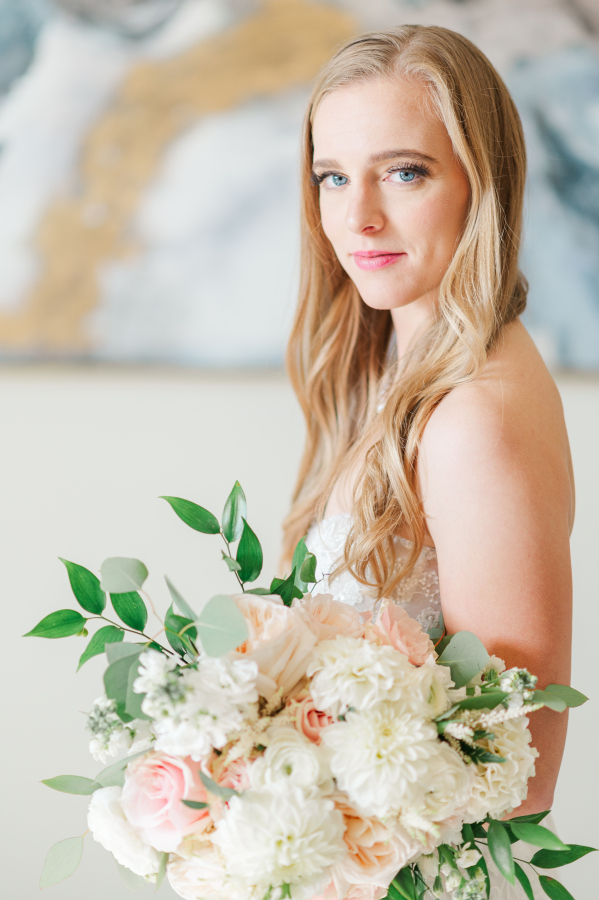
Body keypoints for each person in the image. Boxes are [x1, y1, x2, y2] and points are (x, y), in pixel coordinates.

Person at [282, 24, 574, 899]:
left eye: (403, 172)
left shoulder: (469, 420)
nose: (356, 215)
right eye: (332, 176)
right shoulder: (397, 374)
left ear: (480, 185)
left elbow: (517, 772)